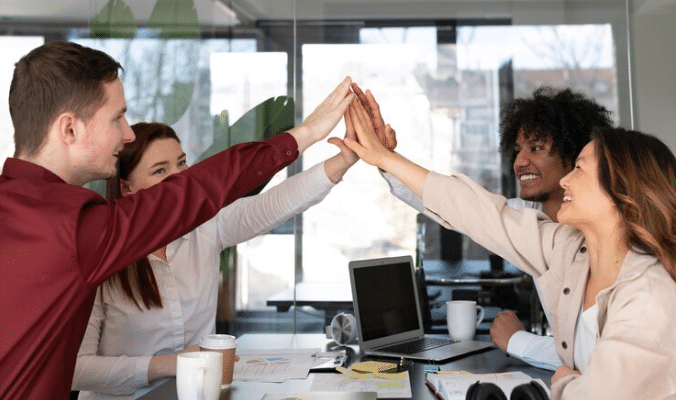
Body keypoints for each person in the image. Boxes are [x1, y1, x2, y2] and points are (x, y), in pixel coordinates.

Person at [0, 40, 354, 400]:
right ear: (69, 130)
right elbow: (197, 190)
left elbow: (257, 205)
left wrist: (339, 160)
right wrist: (306, 133)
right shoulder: (78, 231)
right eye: (116, 118)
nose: (128, 133)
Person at [345, 98, 676, 399]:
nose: (565, 181)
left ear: (619, 192)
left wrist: (563, 378)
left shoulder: (649, 298)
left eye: (579, 167)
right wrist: (385, 158)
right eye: (518, 149)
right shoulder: (568, 249)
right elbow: (467, 209)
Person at [71, 119, 358, 398]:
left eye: (182, 163)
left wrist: (343, 160)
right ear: (126, 188)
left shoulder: (206, 226)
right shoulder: (97, 254)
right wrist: (168, 365)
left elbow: (275, 203)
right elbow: (77, 369)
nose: (180, 178)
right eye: (160, 171)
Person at [361, 84, 612, 370]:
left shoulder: (600, 241)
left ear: (574, 156)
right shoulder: (528, 215)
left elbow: (592, 352)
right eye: (517, 150)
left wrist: (517, 340)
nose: (520, 161)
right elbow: (458, 207)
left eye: (537, 148)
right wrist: (387, 160)